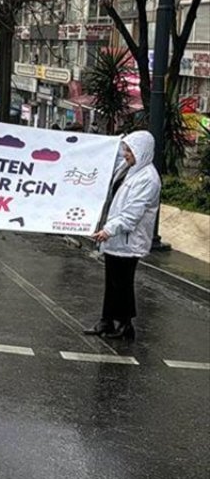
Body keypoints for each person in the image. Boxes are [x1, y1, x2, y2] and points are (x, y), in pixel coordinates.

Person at [82, 131, 161, 340]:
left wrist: (109, 230)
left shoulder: (148, 179)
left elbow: (132, 213)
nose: (125, 153)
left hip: (128, 239)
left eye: (129, 150)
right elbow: (113, 157)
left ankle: (126, 324)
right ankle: (106, 321)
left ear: (141, 151)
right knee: (111, 280)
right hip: (116, 236)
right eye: (126, 149)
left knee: (123, 282)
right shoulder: (128, 168)